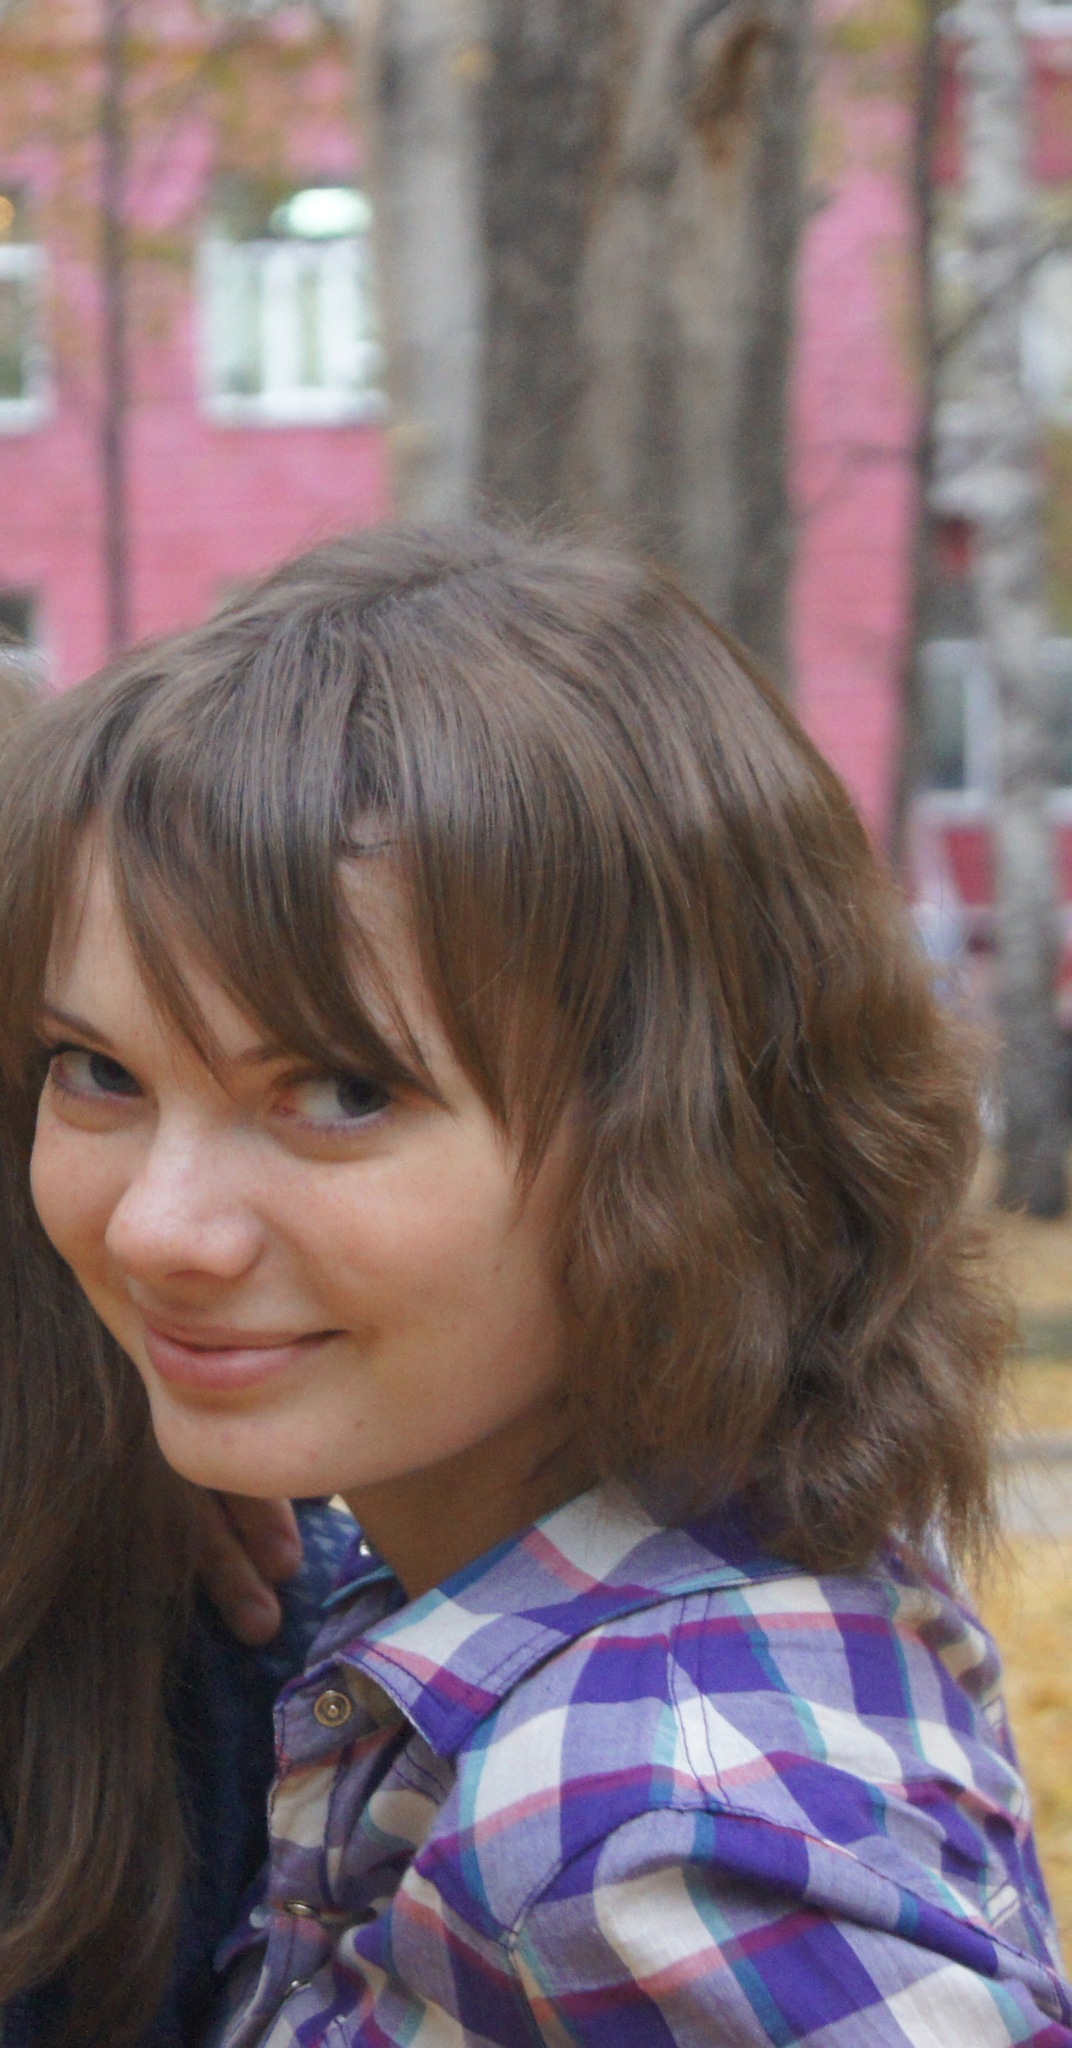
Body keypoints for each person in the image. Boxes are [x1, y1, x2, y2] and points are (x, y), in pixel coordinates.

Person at [0, 523, 1067, 2048]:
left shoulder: (645, 1832)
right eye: (97, 1069)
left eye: (341, 1093)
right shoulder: (565, 1602)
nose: (159, 1229)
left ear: (685, 1139)